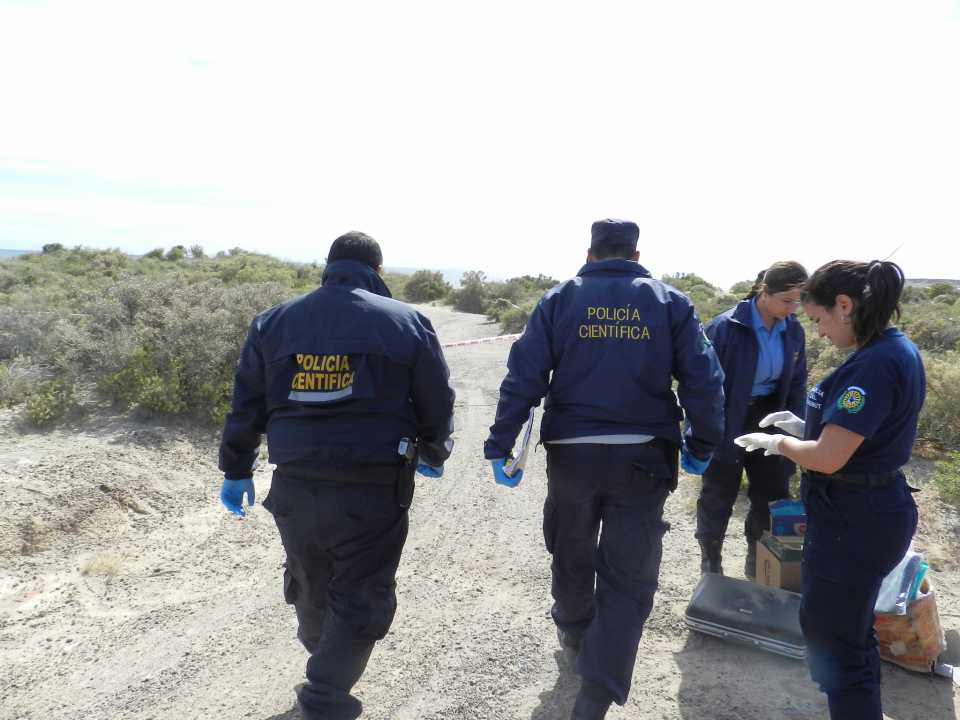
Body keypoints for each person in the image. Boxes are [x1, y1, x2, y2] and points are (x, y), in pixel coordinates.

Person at [484, 219, 725, 720]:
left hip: (573, 455)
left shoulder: (560, 299)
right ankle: (595, 694)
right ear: (636, 253)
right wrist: (702, 444)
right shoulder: (670, 303)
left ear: (590, 252)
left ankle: (574, 631)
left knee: (571, 543)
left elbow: (524, 374)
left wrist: (500, 442)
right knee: (628, 575)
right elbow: (704, 380)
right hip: (642, 458)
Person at [217, 231, 455, 720]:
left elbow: (247, 403)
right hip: (373, 486)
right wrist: (433, 449)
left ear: (328, 266)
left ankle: (324, 655)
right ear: (378, 271)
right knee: (361, 593)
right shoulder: (408, 322)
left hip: (294, 483)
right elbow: (436, 399)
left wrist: (236, 469)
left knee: (310, 578)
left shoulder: (272, 323)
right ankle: (324, 698)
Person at [735, 260, 922, 720]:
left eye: (818, 319)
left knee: (836, 641)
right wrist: (804, 428)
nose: (817, 332)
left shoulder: (876, 364)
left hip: (856, 520)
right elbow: (857, 437)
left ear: (844, 305)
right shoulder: (887, 351)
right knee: (845, 633)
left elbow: (829, 457)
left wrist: (780, 443)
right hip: (860, 512)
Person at [695, 262, 808, 578]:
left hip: (771, 418)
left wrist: (798, 429)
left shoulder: (793, 331)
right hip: (727, 419)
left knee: (770, 497)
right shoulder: (725, 327)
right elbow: (702, 385)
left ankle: (758, 563)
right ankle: (711, 562)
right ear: (765, 292)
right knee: (717, 495)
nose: (792, 308)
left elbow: (798, 383)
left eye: (797, 301)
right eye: (787, 300)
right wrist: (703, 430)